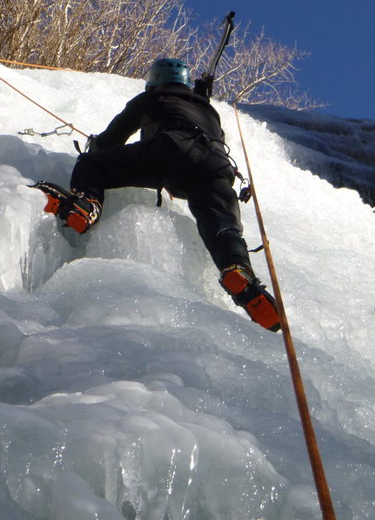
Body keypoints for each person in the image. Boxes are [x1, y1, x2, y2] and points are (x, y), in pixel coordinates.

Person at [33, 58, 281, 332]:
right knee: (223, 230)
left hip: (170, 149)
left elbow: (111, 140)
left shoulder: (153, 97)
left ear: (154, 80)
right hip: (217, 166)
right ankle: (238, 272)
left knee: (93, 164)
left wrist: (96, 147)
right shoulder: (209, 110)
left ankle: (87, 205)